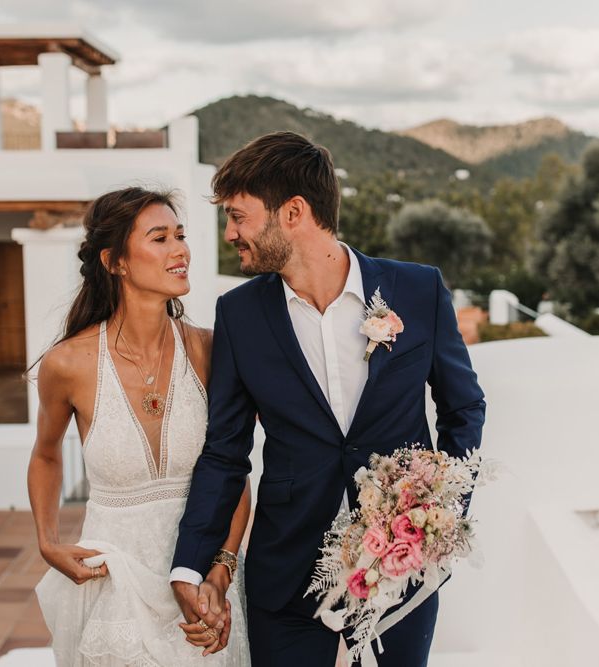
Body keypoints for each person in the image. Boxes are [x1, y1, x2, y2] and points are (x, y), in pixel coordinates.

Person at [170, 132, 486, 666]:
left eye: (239, 217)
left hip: (405, 569)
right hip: (287, 569)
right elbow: (225, 450)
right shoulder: (240, 315)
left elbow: (464, 410)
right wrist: (191, 563)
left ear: (293, 212)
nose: (229, 233)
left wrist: (440, 514)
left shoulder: (419, 290)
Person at [29, 187, 251, 666]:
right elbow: (45, 454)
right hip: (114, 580)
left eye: (180, 235)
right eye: (160, 238)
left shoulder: (210, 352)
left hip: (204, 585)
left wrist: (223, 568)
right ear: (116, 261)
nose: (180, 250)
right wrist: (47, 542)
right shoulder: (68, 363)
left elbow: (234, 468)